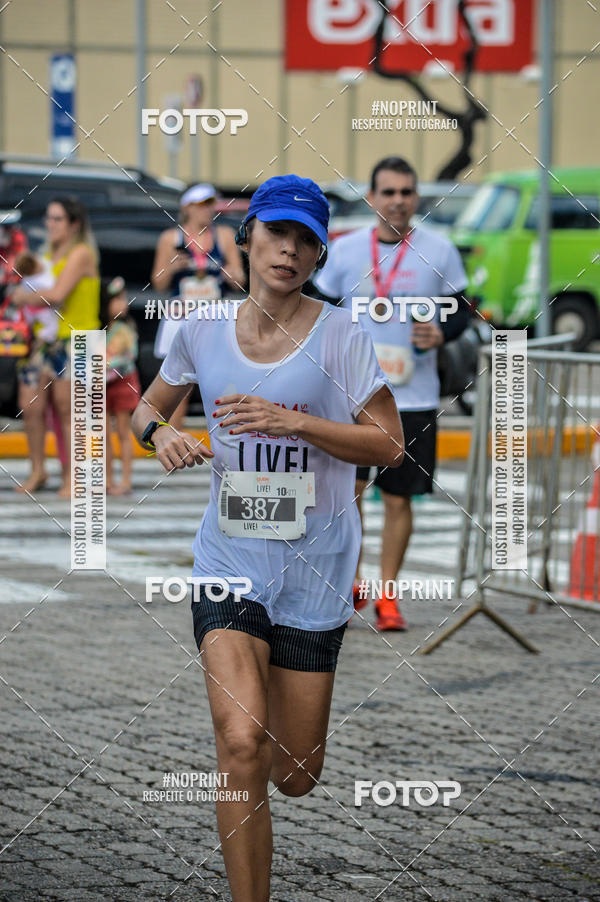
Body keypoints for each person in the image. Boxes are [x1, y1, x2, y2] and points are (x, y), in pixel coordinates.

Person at [132, 174, 403, 902]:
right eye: (276, 233)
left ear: (317, 255)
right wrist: (162, 436)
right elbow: (145, 410)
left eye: (305, 240)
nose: (288, 250)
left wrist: (298, 424)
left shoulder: (341, 336)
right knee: (241, 742)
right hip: (231, 560)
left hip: (315, 569)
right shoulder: (200, 330)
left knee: (295, 772)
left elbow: (389, 446)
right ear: (247, 237)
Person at [315, 156, 469, 631]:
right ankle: (354, 583)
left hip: (416, 398)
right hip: (354, 398)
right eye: (389, 192)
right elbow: (318, 308)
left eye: (406, 192)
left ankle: (387, 594)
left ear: (416, 197)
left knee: (400, 500)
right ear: (372, 198)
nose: (398, 201)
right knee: (351, 493)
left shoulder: (440, 250)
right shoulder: (343, 252)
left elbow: (461, 310)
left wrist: (441, 332)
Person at [12, 196, 100, 497]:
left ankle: (72, 476)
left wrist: (23, 297)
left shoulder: (81, 253)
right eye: (48, 218)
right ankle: (38, 470)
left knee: (69, 410)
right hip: (43, 340)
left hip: (76, 339)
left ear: (74, 224)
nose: (50, 224)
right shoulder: (46, 253)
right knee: (30, 405)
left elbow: (57, 293)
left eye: (57, 219)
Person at [151, 183, 245, 432]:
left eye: (210, 204)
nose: (208, 210)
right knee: (177, 380)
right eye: (202, 205)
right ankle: (171, 438)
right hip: (181, 315)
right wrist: (172, 267)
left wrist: (228, 274)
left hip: (214, 316)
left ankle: (227, 432)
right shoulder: (171, 238)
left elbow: (240, 280)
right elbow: (158, 282)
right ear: (187, 208)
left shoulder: (223, 235)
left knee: (220, 377)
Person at [100, 276, 141, 495]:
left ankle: (125, 480)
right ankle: (108, 479)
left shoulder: (126, 328)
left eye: (124, 299)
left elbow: (129, 355)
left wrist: (106, 365)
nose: (123, 304)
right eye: (117, 300)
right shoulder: (101, 329)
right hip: (103, 385)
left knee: (124, 432)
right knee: (104, 434)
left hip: (123, 383)